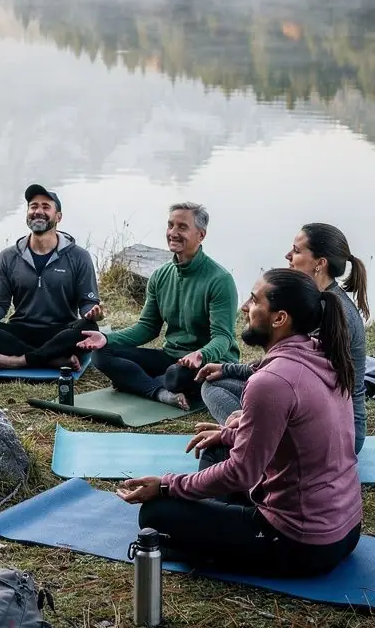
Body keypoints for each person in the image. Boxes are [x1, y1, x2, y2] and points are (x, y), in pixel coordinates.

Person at [117, 269, 362, 577]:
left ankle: (206, 541)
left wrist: (167, 485)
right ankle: (214, 524)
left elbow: (242, 473)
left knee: (155, 513)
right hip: (346, 529)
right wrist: (232, 433)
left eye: (254, 300)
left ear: (279, 318)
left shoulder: (271, 381)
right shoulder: (323, 355)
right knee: (216, 447)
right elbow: (295, 434)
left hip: (302, 543)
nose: (245, 307)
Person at [196, 222, 369, 455]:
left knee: (241, 394)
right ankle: (248, 431)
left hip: (337, 430)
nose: (288, 255)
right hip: (306, 404)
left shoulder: (334, 314)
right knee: (213, 385)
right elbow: (284, 366)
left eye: (296, 251)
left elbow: (295, 377)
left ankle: (246, 436)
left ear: (320, 263)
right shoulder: (315, 301)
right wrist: (227, 370)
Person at [77, 202, 239, 407]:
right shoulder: (160, 276)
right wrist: (106, 338)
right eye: (170, 225)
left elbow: (223, 338)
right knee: (101, 353)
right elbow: (147, 328)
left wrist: (201, 354)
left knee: (176, 376)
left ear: (201, 235)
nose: (173, 232)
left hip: (207, 363)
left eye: (182, 227)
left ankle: (138, 382)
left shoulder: (220, 280)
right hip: (171, 357)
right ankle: (159, 392)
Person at [0, 185, 102, 370]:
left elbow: (87, 303)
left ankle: (16, 361)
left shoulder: (79, 256)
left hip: (62, 331)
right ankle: (52, 360)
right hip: (21, 331)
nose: (38, 211)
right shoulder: (8, 256)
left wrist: (93, 312)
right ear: (27, 214)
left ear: (58, 216)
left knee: (89, 329)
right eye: (33, 206)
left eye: (45, 207)